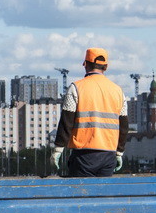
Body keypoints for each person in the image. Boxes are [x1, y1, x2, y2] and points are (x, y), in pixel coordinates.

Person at [52, 47, 129, 177]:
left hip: (83, 155)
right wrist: (119, 152)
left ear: (85, 64)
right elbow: (124, 126)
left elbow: (66, 121)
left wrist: (58, 149)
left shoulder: (76, 88)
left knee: (81, 194)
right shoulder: (118, 91)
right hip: (108, 155)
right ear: (106, 67)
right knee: (103, 195)